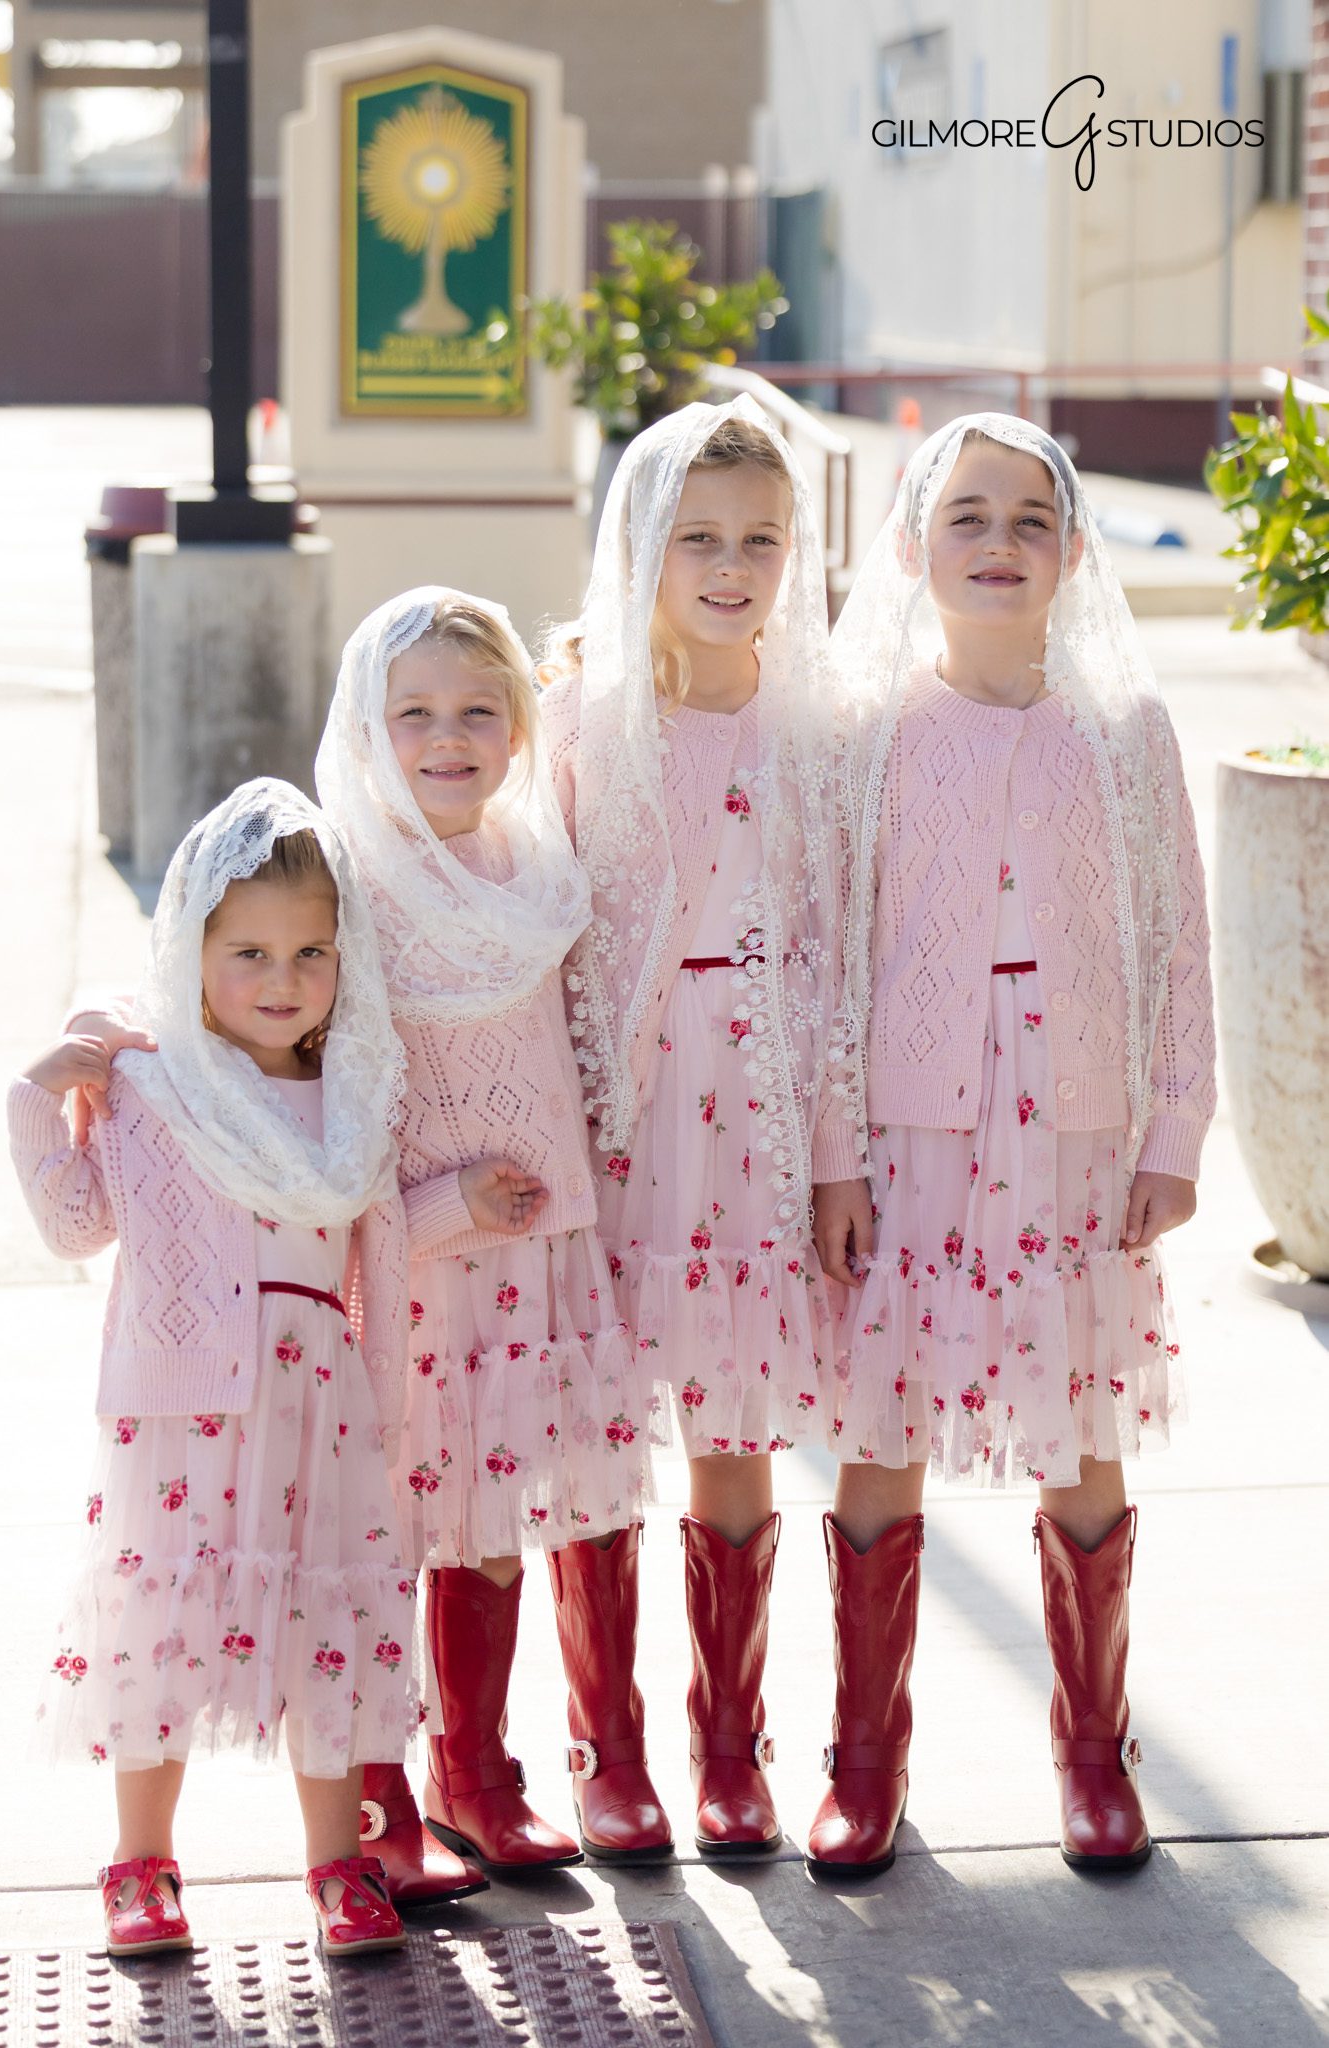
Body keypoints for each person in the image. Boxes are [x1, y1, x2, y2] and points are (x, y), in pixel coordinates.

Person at [808, 414, 1215, 1878]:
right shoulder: (866, 739)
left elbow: (1177, 945)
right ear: (916, 546)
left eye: (1030, 518)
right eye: (966, 515)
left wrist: (1170, 1128)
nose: (998, 542)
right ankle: (864, 1760)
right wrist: (833, 1152)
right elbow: (828, 958)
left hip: (1075, 1120)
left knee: (1078, 1429)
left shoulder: (1123, 734)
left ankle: (1094, 1754)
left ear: (1074, 548)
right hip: (912, 1127)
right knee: (883, 1427)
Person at [8, 780, 436, 1957]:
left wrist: (461, 1205)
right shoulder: (154, 1087)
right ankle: (140, 1862)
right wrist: (42, 1092)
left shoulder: (349, 1101)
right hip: (184, 1407)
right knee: (165, 1618)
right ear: (190, 949)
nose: (281, 975)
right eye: (247, 948)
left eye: (310, 950)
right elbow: (78, 1223)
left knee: (324, 1625)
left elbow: (384, 1231)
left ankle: (338, 1865)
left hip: (317, 1405)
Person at [316, 588, 670, 1875]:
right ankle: (375, 1802)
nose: (448, 736)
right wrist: (434, 1208)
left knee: (494, 1510)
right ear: (368, 728)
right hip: (417, 1260)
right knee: (394, 1522)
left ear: (520, 727)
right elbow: (310, 1084)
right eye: (415, 713)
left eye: (478, 710)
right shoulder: (348, 881)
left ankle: (475, 1771)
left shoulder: (539, 867)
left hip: (536, 1253)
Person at [538, 396, 843, 1856]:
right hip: (619, 1114)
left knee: (734, 1417)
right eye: (698, 537)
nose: (730, 566)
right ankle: (611, 1750)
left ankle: (733, 1745)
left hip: (763, 1111)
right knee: (600, 1427)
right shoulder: (582, 715)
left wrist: (835, 1151)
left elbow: (841, 949)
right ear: (643, 544)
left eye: (761, 540)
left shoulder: (816, 724)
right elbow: (530, 926)